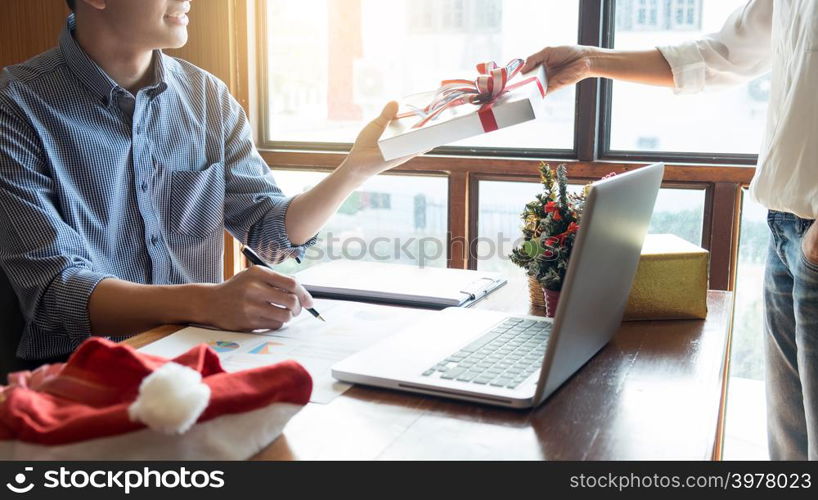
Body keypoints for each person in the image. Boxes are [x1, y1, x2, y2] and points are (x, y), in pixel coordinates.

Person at [0, 0, 412, 363]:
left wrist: (356, 169)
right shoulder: (14, 105)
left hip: (195, 360)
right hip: (76, 378)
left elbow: (270, 233)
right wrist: (209, 302)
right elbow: (56, 291)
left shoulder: (207, 96)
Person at [522, 0, 817, 460]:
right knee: (791, 451)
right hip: (785, 227)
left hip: (813, 234)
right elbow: (721, 54)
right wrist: (587, 60)